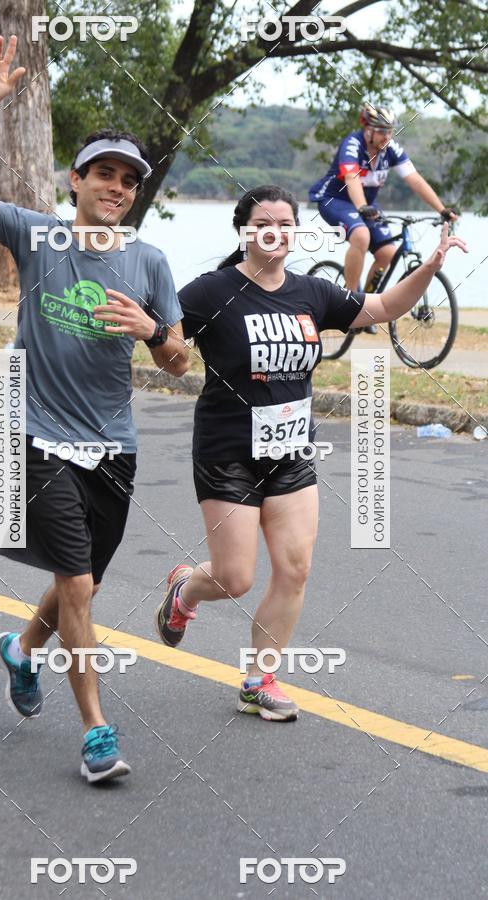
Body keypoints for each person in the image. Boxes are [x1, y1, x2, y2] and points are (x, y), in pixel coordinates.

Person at [0, 34, 189, 783]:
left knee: (83, 583)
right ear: (73, 180)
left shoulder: (149, 262)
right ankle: (97, 732)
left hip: (114, 447)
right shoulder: (37, 234)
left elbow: (179, 359)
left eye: (128, 179)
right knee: (77, 585)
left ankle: (20, 650)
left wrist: (154, 338)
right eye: (102, 173)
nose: (116, 185)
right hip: (36, 436)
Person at [155, 184, 466, 721]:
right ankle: (186, 589)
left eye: (285, 221)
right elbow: (173, 353)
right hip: (227, 453)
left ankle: (259, 680)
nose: (274, 230)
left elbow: (386, 305)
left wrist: (431, 266)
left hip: (291, 454)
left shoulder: (312, 293)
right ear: (245, 231)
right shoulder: (210, 292)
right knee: (235, 578)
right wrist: (155, 330)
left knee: (295, 570)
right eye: (263, 222)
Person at [308, 102, 458, 333]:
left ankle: (366, 305)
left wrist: (442, 209)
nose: (386, 136)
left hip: (365, 205)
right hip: (335, 200)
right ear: (367, 129)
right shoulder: (352, 144)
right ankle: (348, 303)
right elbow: (351, 178)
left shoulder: (391, 149)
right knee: (361, 235)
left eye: (389, 131)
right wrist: (362, 207)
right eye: (380, 131)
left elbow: (414, 179)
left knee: (387, 253)